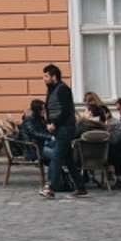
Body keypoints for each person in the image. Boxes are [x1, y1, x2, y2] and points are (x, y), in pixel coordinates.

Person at [38, 64, 83, 200]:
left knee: (56, 158)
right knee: (68, 160)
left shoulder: (63, 89)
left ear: (54, 77)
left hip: (65, 128)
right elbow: (50, 109)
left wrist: (54, 124)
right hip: (59, 129)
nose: (44, 79)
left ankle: (50, 188)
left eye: (46, 76)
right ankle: (81, 188)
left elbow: (65, 111)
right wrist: (48, 123)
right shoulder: (52, 89)